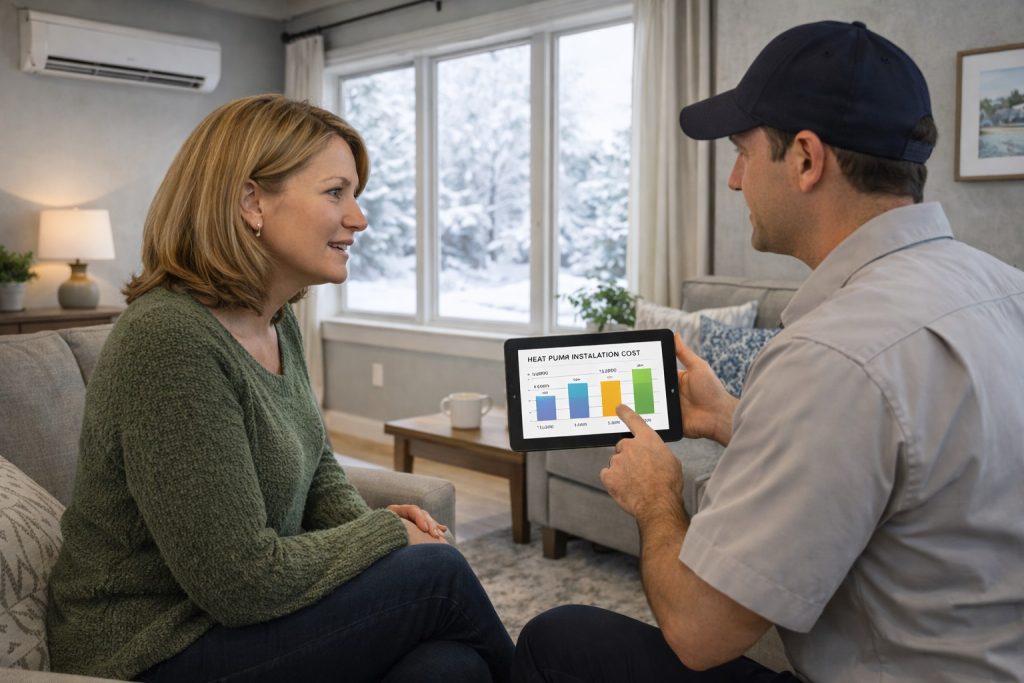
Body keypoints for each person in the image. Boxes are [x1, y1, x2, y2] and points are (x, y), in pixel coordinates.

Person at [514, 20, 1024, 682]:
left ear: (806, 159)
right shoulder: (1006, 290)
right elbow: (907, 458)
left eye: (742, 152)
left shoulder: (831, 354)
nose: (734, 180)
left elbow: (699, 631)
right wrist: (733, 417)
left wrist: (657, 497)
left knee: (556, 639)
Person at [46, 94, 514, 683]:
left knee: (451, 667)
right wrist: (386, 532)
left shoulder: (277, 319)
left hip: (232, 624)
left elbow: (317, 468)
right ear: (252, 202)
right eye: (336, 192)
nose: (359, 218)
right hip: (150, 645)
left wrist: (367, 533)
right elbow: (241, 582)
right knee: (439, 576)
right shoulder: (168, 340)